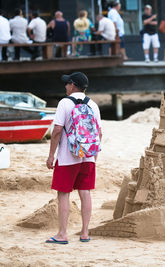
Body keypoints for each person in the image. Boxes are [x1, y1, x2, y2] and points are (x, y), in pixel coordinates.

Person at [46, 72, 102, 244]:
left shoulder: (65, 103)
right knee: (85, 192)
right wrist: (94, 155)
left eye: (67, 84)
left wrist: (51, 155)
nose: (65, 87)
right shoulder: (93, 104)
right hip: (88, 156)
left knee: (63, 194)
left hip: (67, 157)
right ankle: (85, 233)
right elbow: (99, 132)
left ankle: (62, 234)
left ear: (73, 85)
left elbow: (56, 131)